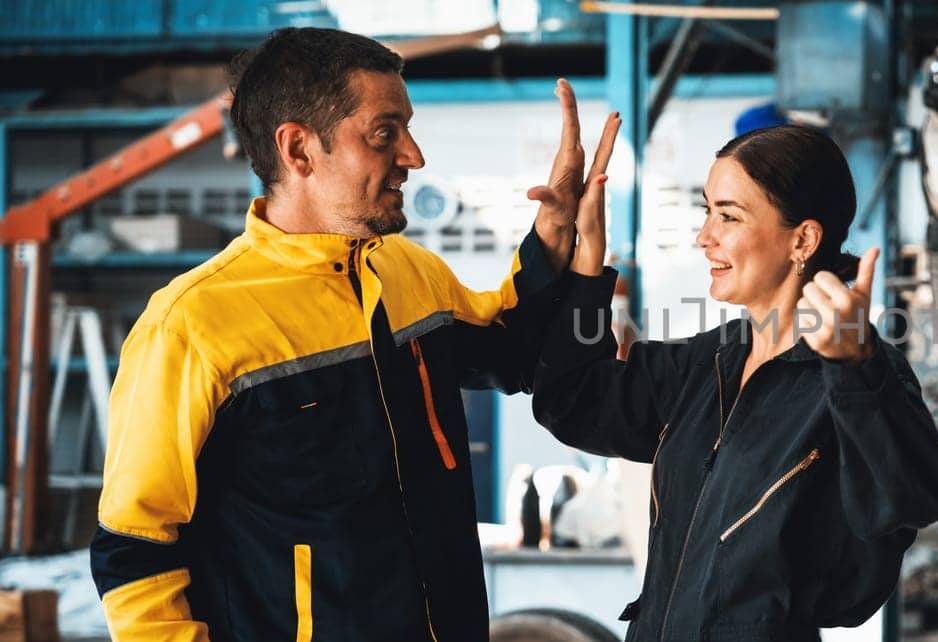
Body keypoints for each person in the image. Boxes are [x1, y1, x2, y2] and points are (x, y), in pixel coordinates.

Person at [89, 27, 619, 640]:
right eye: (384, 133)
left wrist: (556, 233)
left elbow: (517, 353)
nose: (414, 156)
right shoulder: (191, 326)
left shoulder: (408, 273)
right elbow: (135, 548)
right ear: (299, 150)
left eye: (408, 128)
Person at [532, 124, 938, 640]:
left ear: (803, 239)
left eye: (729, 216)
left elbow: (917, 498)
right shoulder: (703, 363)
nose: (704, 236)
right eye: (707, 211)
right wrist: (582, 263)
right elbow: (572, 401)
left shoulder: (859, 373)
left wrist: (856, 367)